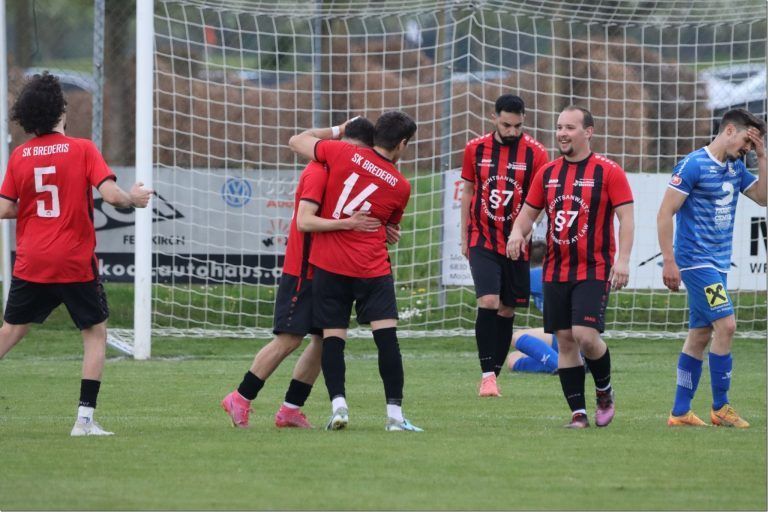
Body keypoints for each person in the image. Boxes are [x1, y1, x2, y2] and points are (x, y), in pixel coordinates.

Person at [0, 72, 153, 436]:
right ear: (60, 112)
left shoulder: (20, 155)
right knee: (95, 333)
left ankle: (85, 421)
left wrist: (37, 207)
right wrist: (136, 198)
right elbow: (113, 196)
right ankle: (84, 420)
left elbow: (5, 208)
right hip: (72, 261)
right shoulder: (82, 149)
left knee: (10, 331)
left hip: (32, 260)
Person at [221, 118, 382, 429]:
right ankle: (240, 397)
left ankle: (290, 409)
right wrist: (348, 224)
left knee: (324, 340)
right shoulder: (319, 170)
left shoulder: (341, 171)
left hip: (329, 270)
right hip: (304, 269)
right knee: (289, 339)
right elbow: (304, 222)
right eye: (357, 152)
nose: (359, 160)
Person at [288, 110, 422, 432]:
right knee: (387, 339)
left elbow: (296, 141)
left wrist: (337, 130)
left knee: (333, 338)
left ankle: (338, 407)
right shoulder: (401, 186)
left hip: (329, 264)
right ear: (402, 144)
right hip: (371, 268)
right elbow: (389, 226)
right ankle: (394, 417)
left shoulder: (339, 151)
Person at [507, 106, 634, 429]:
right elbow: (528, 213)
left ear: (588, 132)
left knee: (586, 338)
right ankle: (578, 413)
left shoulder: (609, 172)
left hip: (593, 269)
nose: (562, 132)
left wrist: (622, 260)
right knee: (565, 340)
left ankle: (604, 390)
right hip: (556, 270)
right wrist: (516, 234)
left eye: (570, 127)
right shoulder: (548, 173)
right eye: (560, 126)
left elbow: (626, 218)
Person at [657, 108, 766, 428]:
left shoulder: (736, 168)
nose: (746, 148)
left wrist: (762, 155)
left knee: (699, 336)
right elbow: (665, 214)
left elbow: (764, 198)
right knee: (727, 325)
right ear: (730, 130)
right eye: (747, 140)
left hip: (717, 265)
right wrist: (669, 260)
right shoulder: (693, 165)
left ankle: (679, 412)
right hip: (695, 262)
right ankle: (721, 407)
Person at [460, 94, 549, 396]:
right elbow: (469, 192)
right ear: (494, 118)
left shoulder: (537, 153)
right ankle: (487, 375)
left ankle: (492, 377)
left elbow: (540, 202)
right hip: (482, 237)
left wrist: (526, 232)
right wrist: (464, 235)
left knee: (508, 311)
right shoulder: (475, 149)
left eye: (518, 125)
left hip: (516, 243)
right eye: (506, 124)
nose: (512, 131)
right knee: (489, 302)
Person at [506, 240, 560, 374]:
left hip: (565, 335)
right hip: (582, 338)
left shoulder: (534, 275)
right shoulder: (555, 272)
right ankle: (572, 363)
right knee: (512, 359)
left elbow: (508, 297)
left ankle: (562, 365)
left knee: (516, 337)